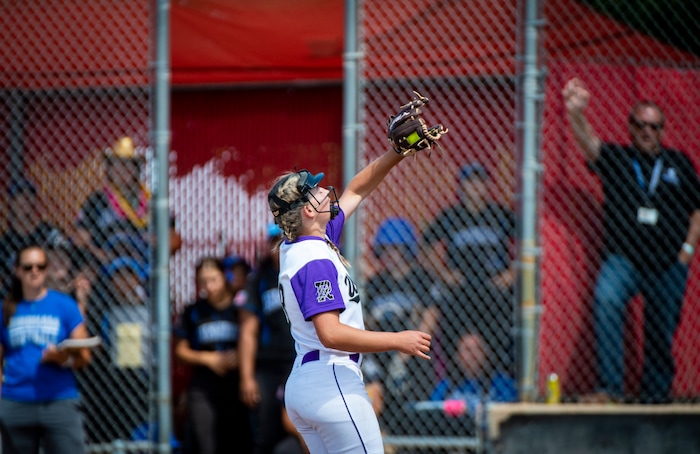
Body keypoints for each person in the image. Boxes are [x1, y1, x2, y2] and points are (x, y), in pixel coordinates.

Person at [267, 150, 432, 453]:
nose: (324, 190)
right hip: (331, 379)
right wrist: (397, 340)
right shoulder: (315, 259)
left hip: (311, 380)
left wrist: (395, 153)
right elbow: (330, 334)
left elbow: (357, 189)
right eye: (314, 190)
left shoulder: (308, 242)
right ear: (307, 211)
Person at [563, 78, 700, 404]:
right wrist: (575, 113)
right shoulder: (619, 158)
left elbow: (697, 209)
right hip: (623, 258)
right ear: (630, 127)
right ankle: (611, 389)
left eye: (653, 126)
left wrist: (688, 251)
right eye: (640, 125)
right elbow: (589, 144)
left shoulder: (679, 163)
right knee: (607, 300)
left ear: (662, 129)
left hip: (668, 261)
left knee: (659, 329)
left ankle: (656, 397)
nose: (647, 131)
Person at [422, 162, 517, 394]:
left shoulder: (500, 214)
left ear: (487, 186)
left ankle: (495, 391)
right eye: (470, 182)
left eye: (480, 181)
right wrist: (443, 274)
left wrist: (512, 274)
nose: (475, 187)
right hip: (460, 293)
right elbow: (424, 246)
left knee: (496, 344)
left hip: (494, 292)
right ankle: (455, 391)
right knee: (456, 345)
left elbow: (529, 243)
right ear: (461, 187)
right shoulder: (451, 216)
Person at [0, 244, 92, 454]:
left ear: (47, 269)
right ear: (17, 271)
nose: (35, 271)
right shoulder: (6, 308)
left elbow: (84, 356)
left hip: (58, 398)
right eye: (28, 266)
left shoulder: (65, 305)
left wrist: (62, 359)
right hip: (16, 399)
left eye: (40, 266)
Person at [364, 217, 440, 434]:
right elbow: (366, 321)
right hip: (382, 356)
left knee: (414, 418)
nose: (391, 255)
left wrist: (403, 357)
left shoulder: (422, 279)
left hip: (413, 358)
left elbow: (430, 316)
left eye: (396, 249)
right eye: (386, 250)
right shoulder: (375, 283)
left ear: (408, 250)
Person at [173, 256, 253, 454]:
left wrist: (239, 355)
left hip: (236, 384)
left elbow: (253, 339)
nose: (209, 286)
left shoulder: (239, 309)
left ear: (225, 277)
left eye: (213, 279)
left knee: (236, 443)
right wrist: (209, 359)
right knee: (205, 445)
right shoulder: (193, 311)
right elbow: (180, 351)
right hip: (204, 385)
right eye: (203, 281)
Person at [239, 223, 303, 454]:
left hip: (299, 362)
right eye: (274, 241)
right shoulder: (258, 281)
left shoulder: (305, 270)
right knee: (264, 431)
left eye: (285, 239)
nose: (279, 246)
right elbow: (248, 330)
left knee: (300, 425)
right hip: (267, 366)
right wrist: (246, 377)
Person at [73, 136, 182, 268]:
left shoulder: (153, 202)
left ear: (136, 169)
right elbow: (79, 238)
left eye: (128, 164)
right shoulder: (97, 200)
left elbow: (175, 239)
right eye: (117, 164)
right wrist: (100, 255)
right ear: (109, 169)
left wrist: (159, 242)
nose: (122, 170)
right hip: (106, 273)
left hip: (146, 271)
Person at [0, 178, 70, 297]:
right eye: (19, 199)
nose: (23, 203)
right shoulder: (5, 242)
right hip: (15, 297)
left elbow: (67, 260)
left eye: (28, 198)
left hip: (47, 292)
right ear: (11, 203)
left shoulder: (48, 232)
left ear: (34, 202)